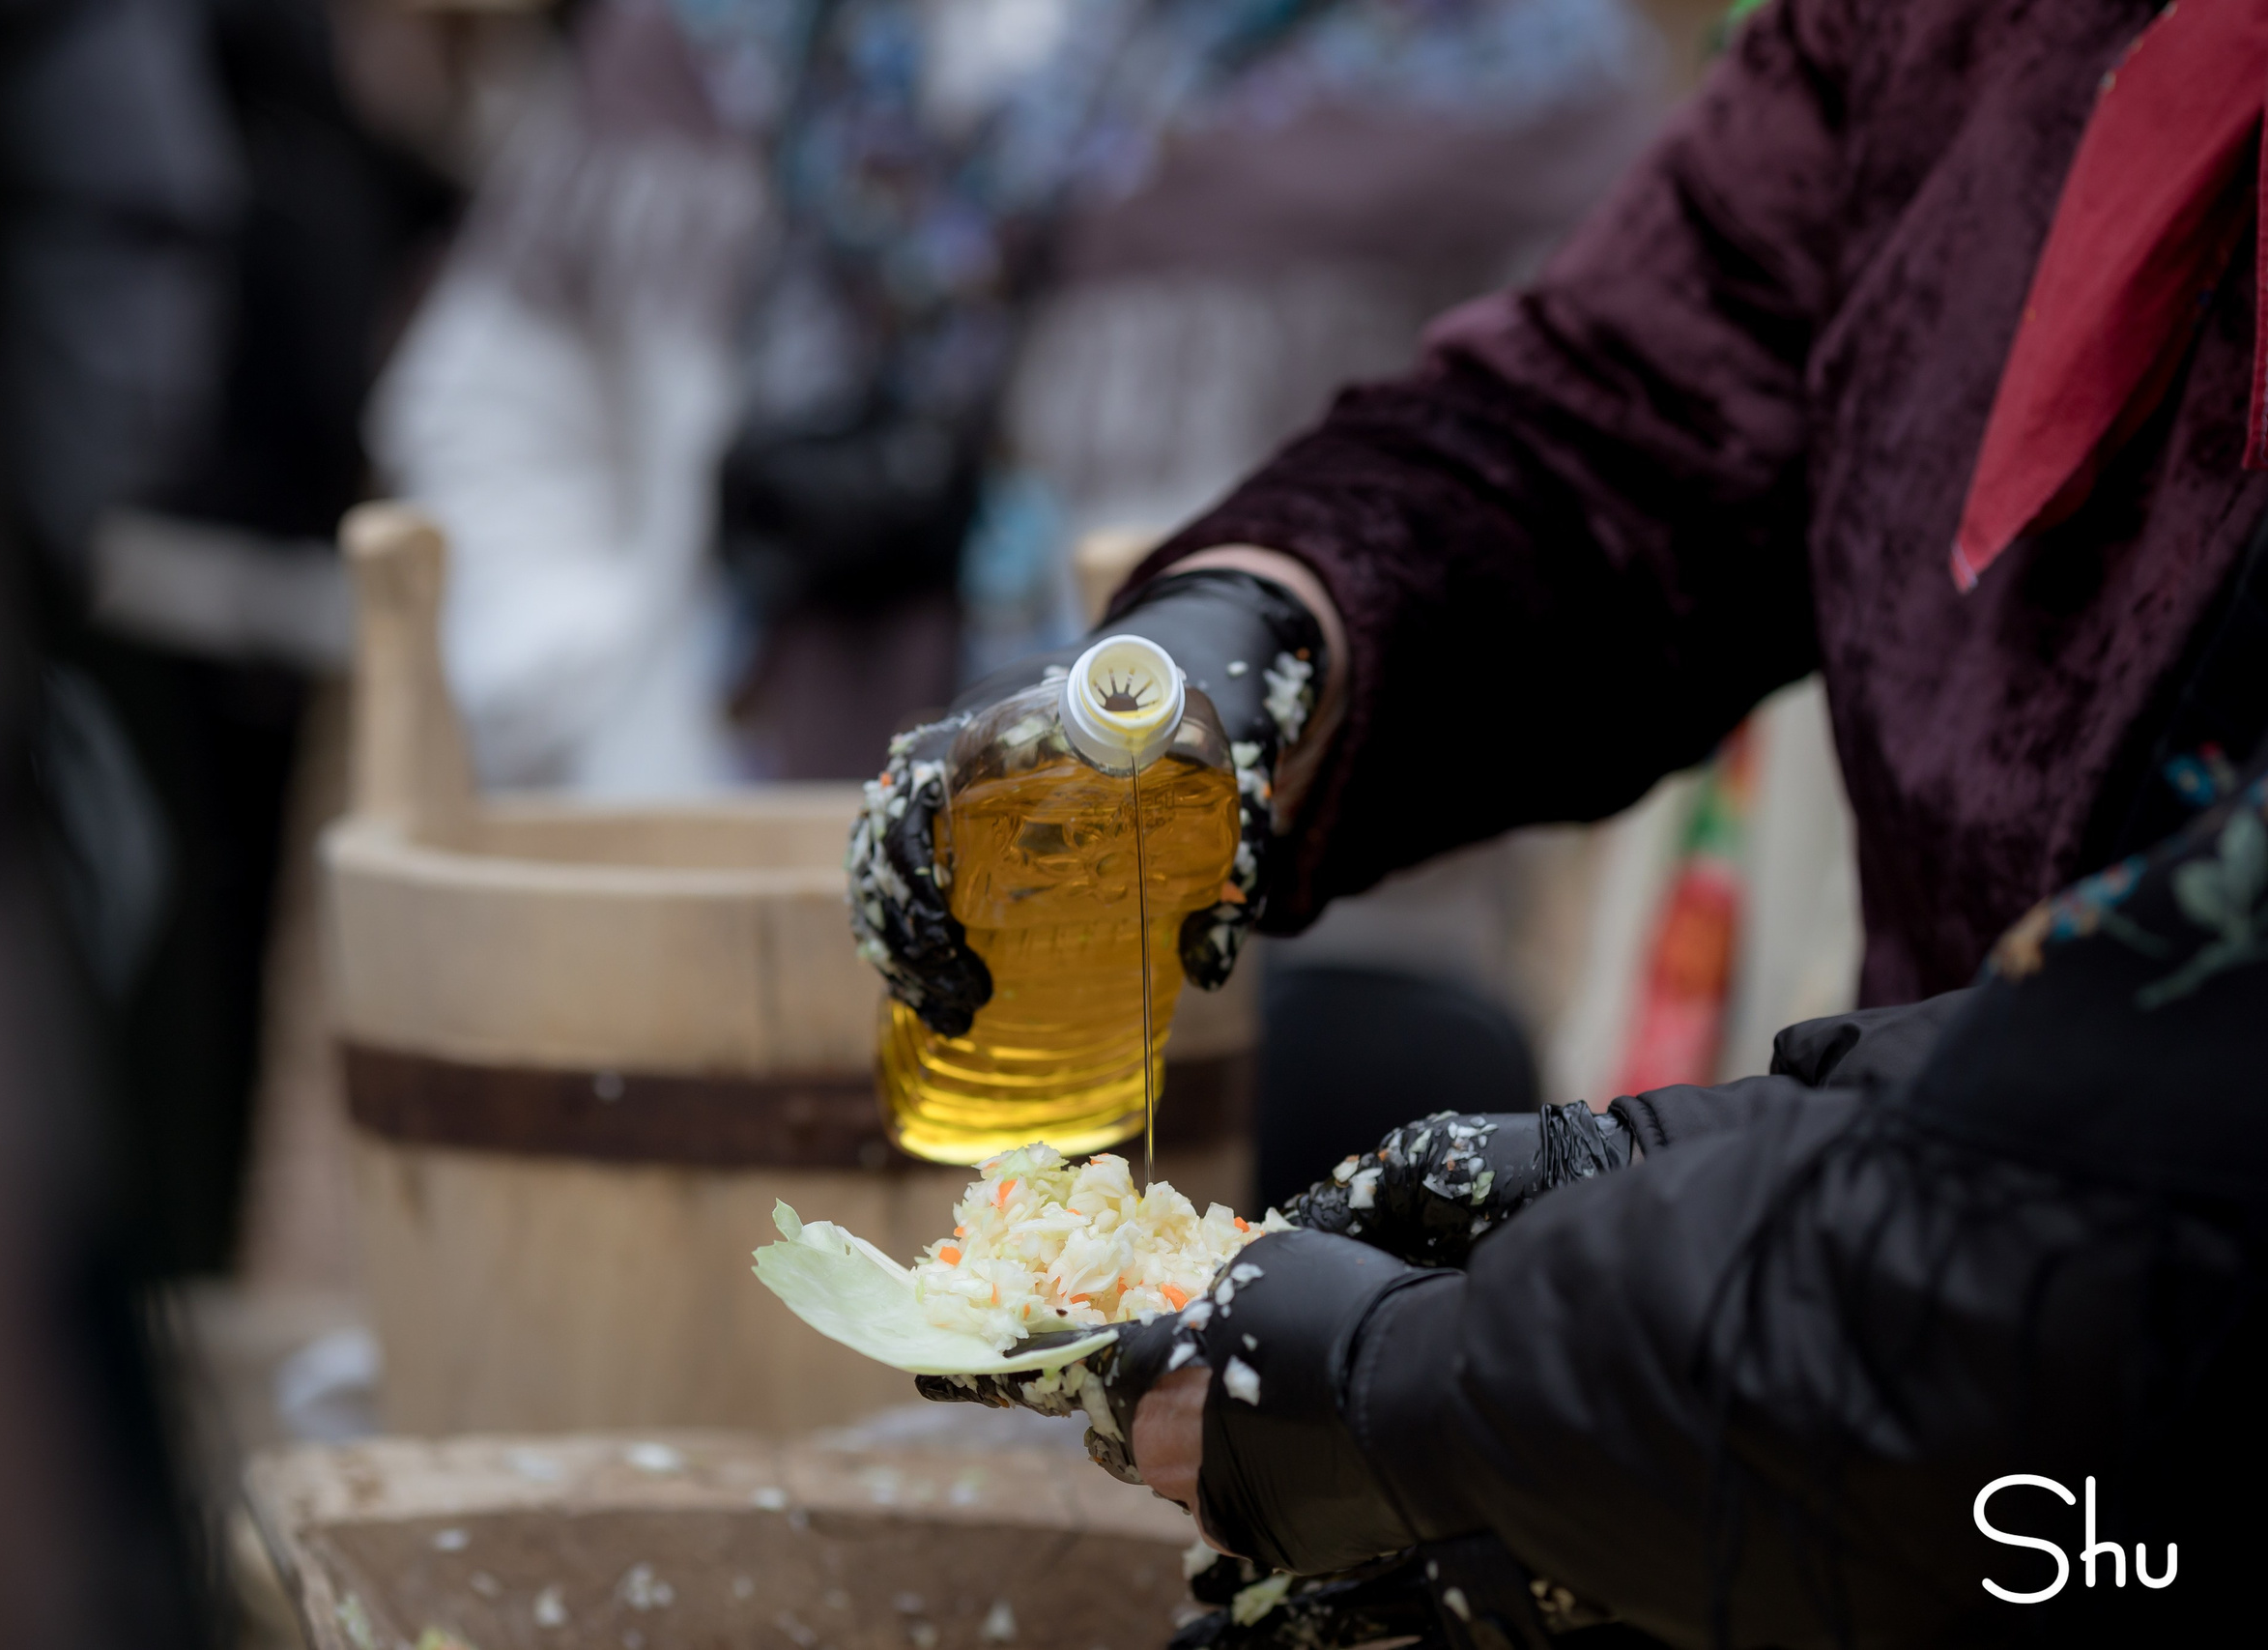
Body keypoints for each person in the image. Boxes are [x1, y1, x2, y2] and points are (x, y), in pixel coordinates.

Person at [854, 0, 2268, 1637]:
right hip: (1900, 1330)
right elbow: (1641, 405)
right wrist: (1254, 643)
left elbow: (2181, 1122)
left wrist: (1453, 1397)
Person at [370, 0, 1662, 793]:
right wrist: (595, 710)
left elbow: (1600, 473)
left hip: (1231, 969)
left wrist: (1294, 744)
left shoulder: (1493, 61)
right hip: (722, 884)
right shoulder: (702, 33)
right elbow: (491, 395)